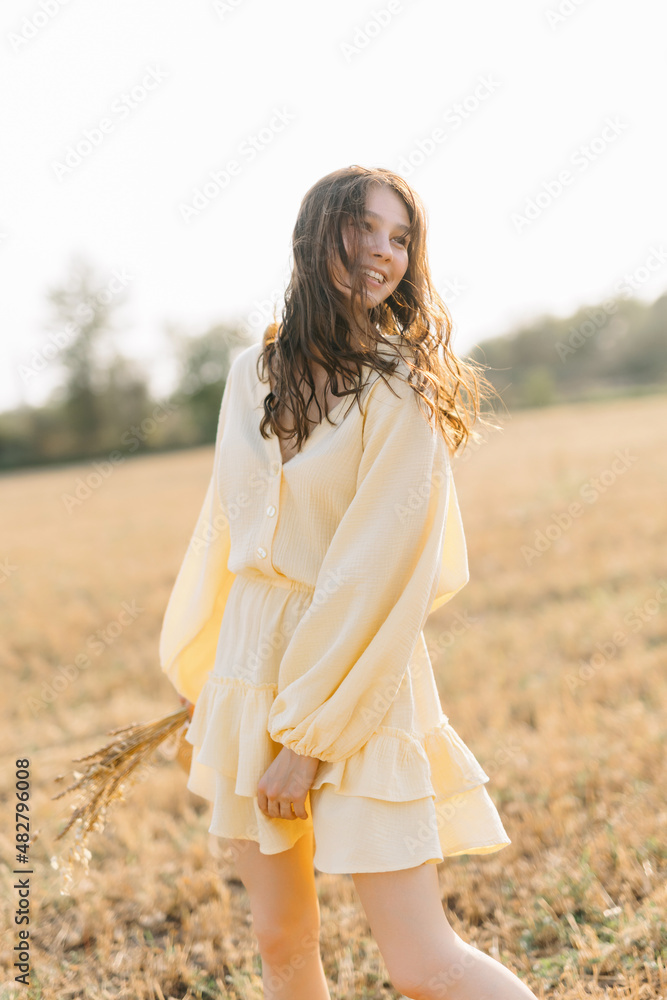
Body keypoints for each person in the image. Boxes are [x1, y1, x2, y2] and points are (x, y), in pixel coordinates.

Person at [161, 165, 538, 999]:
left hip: (356, 686)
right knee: (280, 939)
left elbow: (378, 576)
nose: (383, 252)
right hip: (249, 668)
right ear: (313, 236)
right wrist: (204, 674)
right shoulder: (247, 372)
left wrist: (305, 741)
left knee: (423, 964)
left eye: (400, 237)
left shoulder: (401, 387)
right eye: (364, 228)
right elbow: (223, 531)